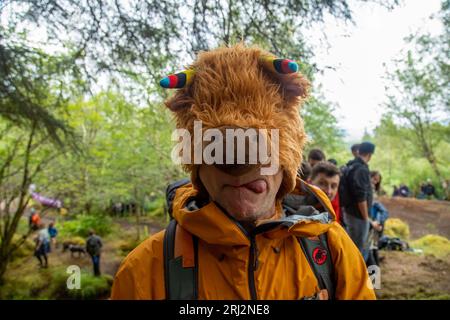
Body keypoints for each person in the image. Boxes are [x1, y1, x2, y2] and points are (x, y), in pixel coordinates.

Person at [111, 44, 375, 300]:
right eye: (215, 148)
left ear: (286, 159)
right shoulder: (146, 270)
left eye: (264, 148)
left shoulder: (331, 249)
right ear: (197, 167)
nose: (238, 166)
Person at [341, 141, 376, 261]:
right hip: (357, 215)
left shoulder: (351, 165)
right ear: (370, 154)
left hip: (349, 211)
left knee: (354, 246)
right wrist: (366, 218)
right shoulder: (361, 169)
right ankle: (354, 276)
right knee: (357, 248)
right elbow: (361, 197)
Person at [366, 171, 388, 267]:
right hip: (367, 222)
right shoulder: (366, 190)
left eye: (377, 181)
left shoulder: (374, 191)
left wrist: (379, 223)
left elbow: (383, 211)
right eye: (374, 179)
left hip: (373, 221)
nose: (375, 182)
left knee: (373, 247)